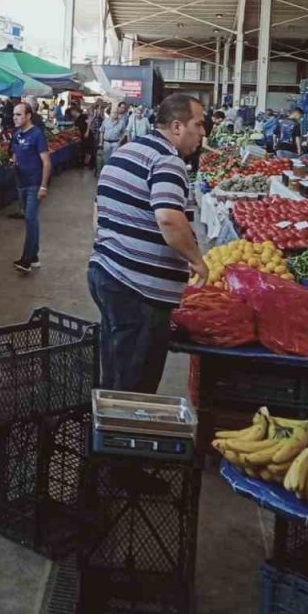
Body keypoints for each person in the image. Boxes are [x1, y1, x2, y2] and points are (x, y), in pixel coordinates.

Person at [89, 93, 209, 393]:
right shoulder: (168, 160)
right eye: (199, 124)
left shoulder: (128, 151)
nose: (204, 133)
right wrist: (197, 260)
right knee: (134, 382)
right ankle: (121, 432)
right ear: (178, 126)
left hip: (108, 273)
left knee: (116, 369)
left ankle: (106, 429)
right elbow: (169, 218)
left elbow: (98, 210)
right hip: (138, 290)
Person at [10, 101, 51, 274]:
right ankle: (34, 256)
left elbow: (47, 163)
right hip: (21, 183)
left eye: (19, 114)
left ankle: (26, 260)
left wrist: (43, 187)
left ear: (28, 116)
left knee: (30, 219)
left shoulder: (37, 135)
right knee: (31, 220)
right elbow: (15, 153)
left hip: (34, 183)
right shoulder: (17, 134)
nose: (15, 118)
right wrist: (13, 162)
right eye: (14, 114)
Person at [100, 101, 129, 171]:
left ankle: (112, 172)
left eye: (116, 113)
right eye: (113, 113)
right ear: (110, 114)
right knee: (105, 159)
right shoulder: (105, 121)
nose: (114, 114)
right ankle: (105, 172)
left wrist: (120, 141)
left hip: (115, 143)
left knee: (114, 159)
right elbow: (101, 132)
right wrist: (100, 142)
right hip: (106, 142)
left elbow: (124, 133)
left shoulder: (121, 122)